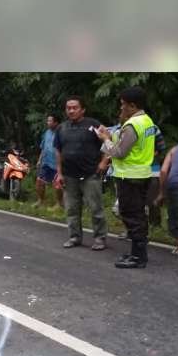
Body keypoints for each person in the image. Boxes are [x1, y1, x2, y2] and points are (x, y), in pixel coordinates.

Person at [97, 86, 156, 268]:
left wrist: (105, 139)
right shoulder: (147, 121)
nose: (121, 108)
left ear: (132, 105)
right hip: (142, 173)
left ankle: (138, 258)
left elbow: (120, 152)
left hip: (129, 177)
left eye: (123, 105)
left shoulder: (133, 125)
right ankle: (137, 254)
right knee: (137, 215)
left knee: (131, 215)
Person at [54, 96, 108, 250]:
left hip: (90, 173)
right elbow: (57, 150)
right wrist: (59, 172)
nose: (71, 110)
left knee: (95, 208)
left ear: (82, 109)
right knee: (71, 209)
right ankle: (74, 237)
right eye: (68, 108)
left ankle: (100, 238)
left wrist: (104, 162)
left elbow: (108, 141)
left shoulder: (93, 125)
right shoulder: (61, 128)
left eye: (74, 107)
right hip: (69, 175)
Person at [34, 114, 63, 208]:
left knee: (58, 185)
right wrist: (39, 160)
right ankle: (41, 201)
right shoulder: (46, 133)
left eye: (50, 121)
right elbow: (43, 147)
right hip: (46, 162)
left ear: (56, 122)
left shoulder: (62, 133)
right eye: (48, 121)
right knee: (39, 181)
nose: (48, 123)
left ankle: (59, 203)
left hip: (57, 163)